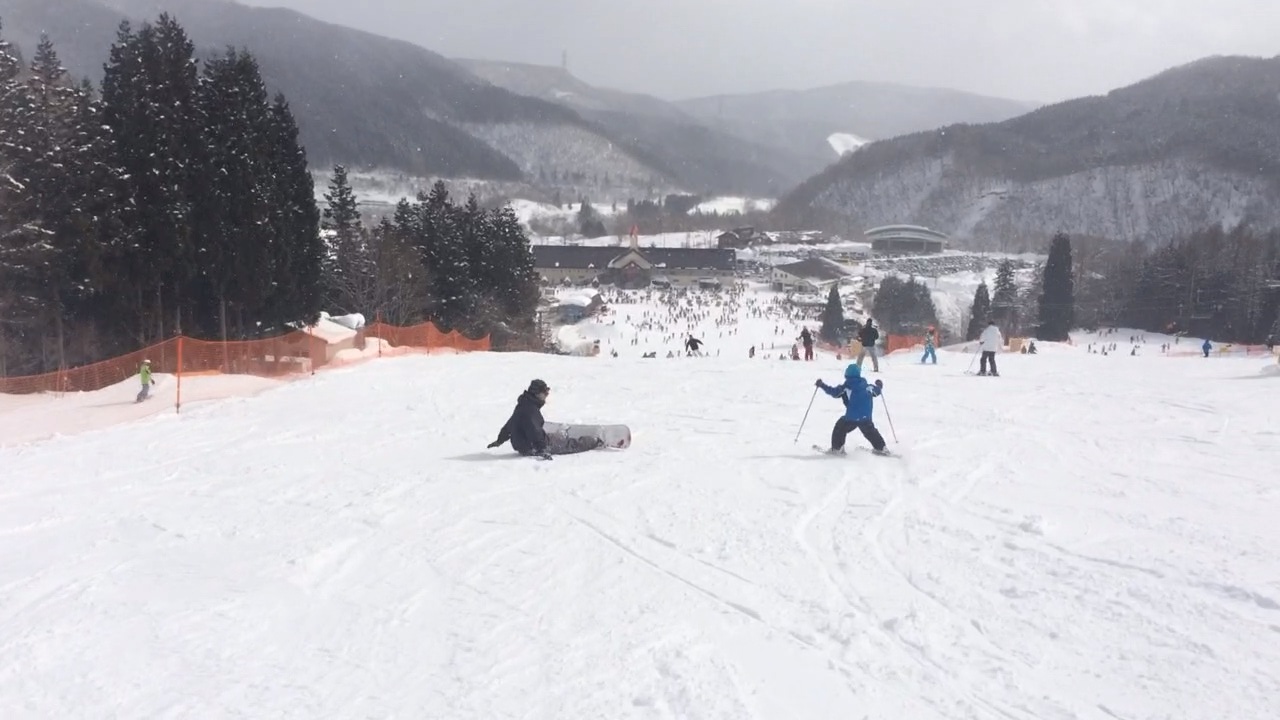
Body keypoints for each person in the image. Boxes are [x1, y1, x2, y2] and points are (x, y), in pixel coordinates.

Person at [486, 379, 602, 458]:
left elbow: (510, 425)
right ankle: (595, 441)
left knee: (553, 438)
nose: (547, 395)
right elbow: (534, 432)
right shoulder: (531, 411)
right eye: (545, 392)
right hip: (531, 447)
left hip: (523, 445)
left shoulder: (523, 405)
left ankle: (559, 436)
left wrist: (500, 440)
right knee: (570, 444)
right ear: (537, 393)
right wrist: (542, 449)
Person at [815, 363, 887, 455]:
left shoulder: (846, 387)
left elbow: (834, 392)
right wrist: (879, 385)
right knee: (870, 432)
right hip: (866, 417)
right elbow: (877, 391)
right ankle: (881, 448)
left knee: (840, 428)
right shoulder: (868, 387)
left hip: (851, 418)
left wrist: (822, 385)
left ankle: (837, 449)